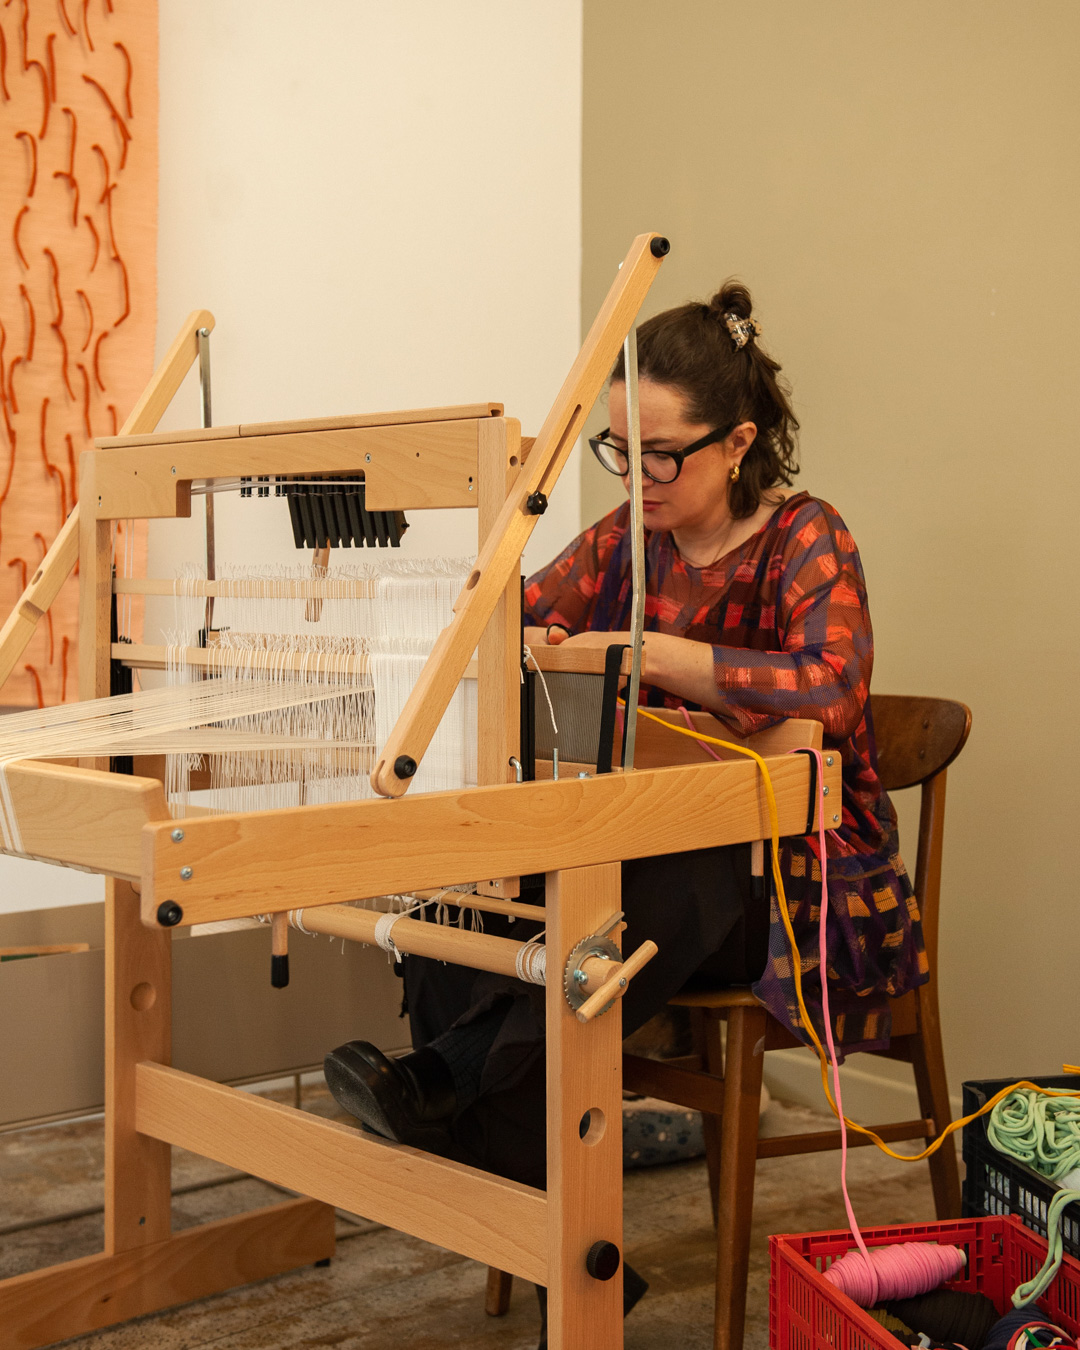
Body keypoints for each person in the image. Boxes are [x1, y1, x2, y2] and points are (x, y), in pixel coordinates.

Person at [324, 280, 925, 1325]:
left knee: (682, 858)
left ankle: (444, 1083)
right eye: (617, 451)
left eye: (662, 456)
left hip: (787, 885)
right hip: (642, 858)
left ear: (738, 443)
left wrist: (650, 655)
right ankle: (543, 1217)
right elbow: (505, 620)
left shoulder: (805, 536)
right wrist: (503, 633)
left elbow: (830, 689)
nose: (637, 477)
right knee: (464, 895)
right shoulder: (621, 544)